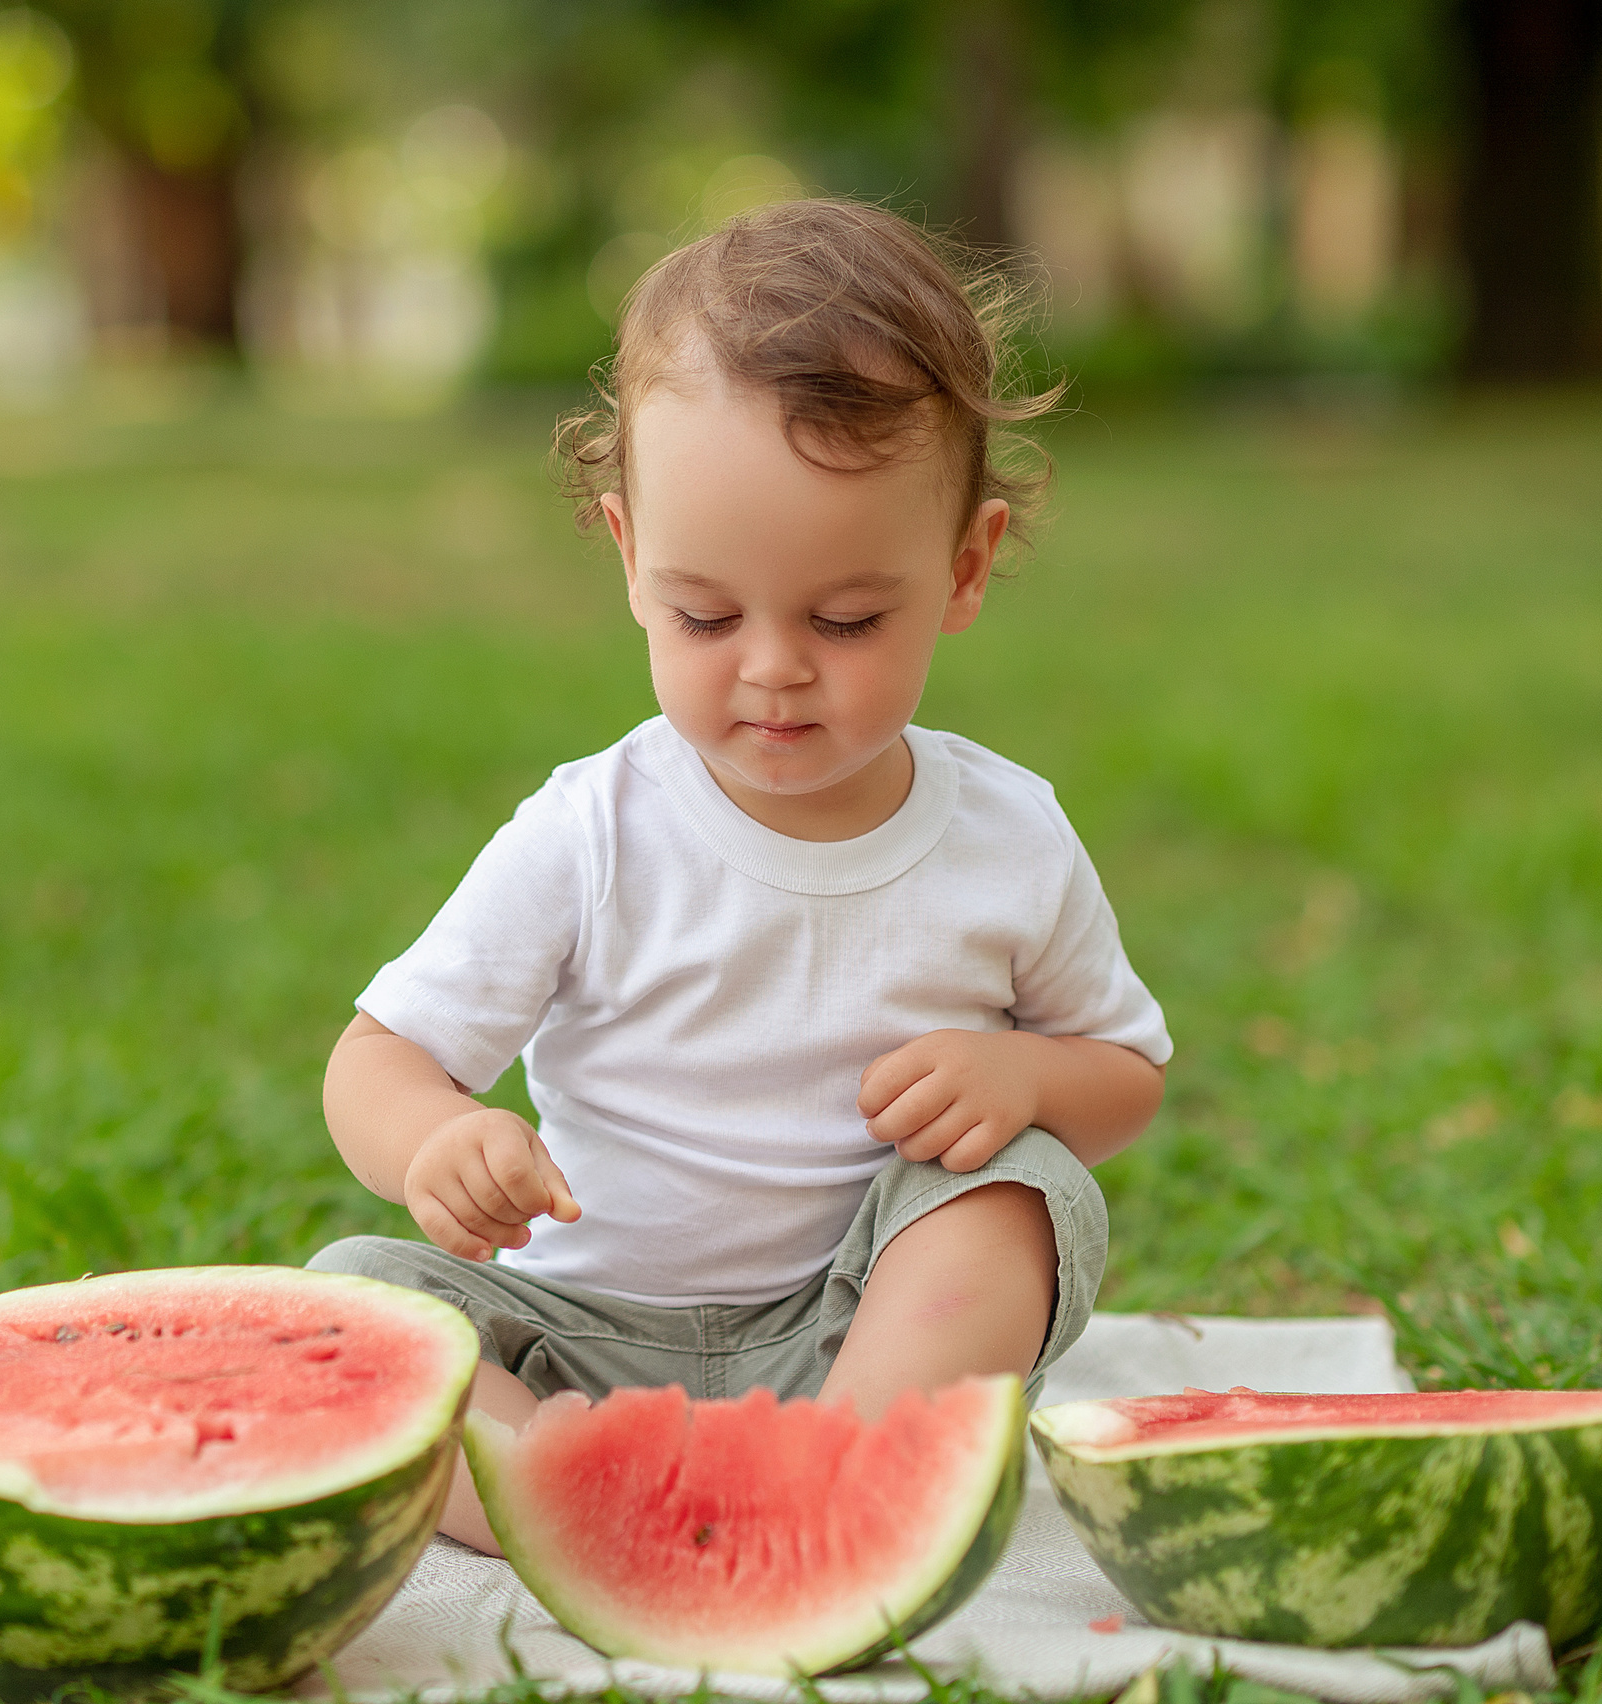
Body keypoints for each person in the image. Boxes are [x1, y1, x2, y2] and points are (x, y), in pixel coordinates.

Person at [309, 198, 1172, 1554]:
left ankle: (843, 1485)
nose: (772, 667)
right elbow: (374, 1060)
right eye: (704, 614)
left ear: (966, 567)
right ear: (625, 557)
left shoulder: (1007, 836)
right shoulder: (590, 832)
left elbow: (1123, 1079)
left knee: (1019, 1196)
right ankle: (560, 1493)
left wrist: (1026, 1080)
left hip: (859, 1329)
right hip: (575, 1338)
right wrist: (435, 1139)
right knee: (349, 1303)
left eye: (845, 618)